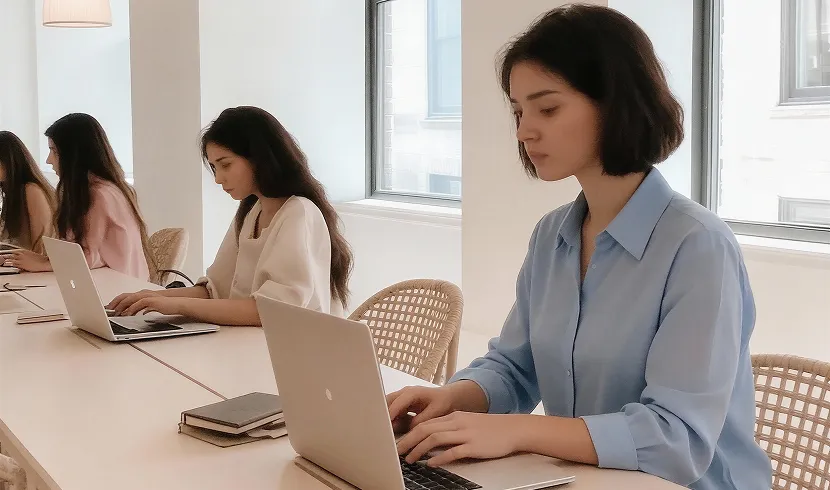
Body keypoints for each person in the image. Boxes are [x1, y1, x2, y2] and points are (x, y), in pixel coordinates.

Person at [387, 5, 772, 490]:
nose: (525, 130)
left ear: (615, 103)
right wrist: (453, 398)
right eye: (518, 111)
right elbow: (514, 366)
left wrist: (517, 431)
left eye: (547, 108)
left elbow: (676, 438)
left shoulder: (698, 247)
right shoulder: (552, 236)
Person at [107, 106, 353, 326]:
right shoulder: (252, 211)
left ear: (259, 158)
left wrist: (175, 305)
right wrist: (152, 297)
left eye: (225, 165)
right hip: (255, 346)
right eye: (214, 167)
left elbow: (272, 311)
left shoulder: (298, 212)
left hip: (296, 353)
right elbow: (215, 290)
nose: (218, 178)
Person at [5, 114, 153, 280]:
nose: (48, 160)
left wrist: (44, 264)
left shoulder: (100, 194)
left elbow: (88, 255)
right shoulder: (98, 191)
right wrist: (46, 260)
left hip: (118, 289)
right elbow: (81, 251)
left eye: (53, 151)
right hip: (110, 283)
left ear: (73, 154)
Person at [0, 131, 56, 254]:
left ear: (8, 160)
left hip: (35, 269)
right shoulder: (10, 192)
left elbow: (40, 248)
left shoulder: (31, 190)